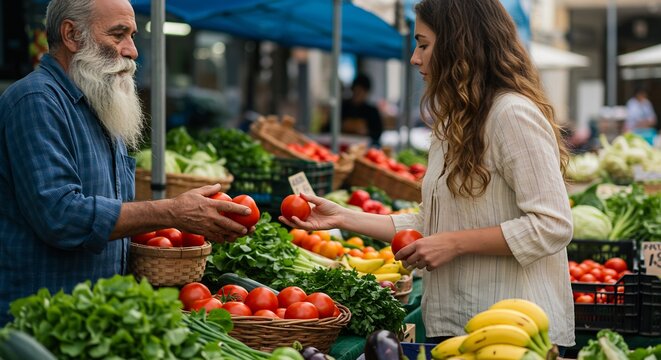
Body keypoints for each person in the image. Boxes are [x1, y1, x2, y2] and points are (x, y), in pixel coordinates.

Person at [280, 0, 574, 350]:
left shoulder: (511, 115)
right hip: (458, 322)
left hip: (516, 332)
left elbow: (552, 224)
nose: (414, 58)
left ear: (458, 44)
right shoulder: (455, 121)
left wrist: (453, 243)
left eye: (423, 44)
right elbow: (433, 219)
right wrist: (343, 217)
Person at [0, 0, 252, 325]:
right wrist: (170, 212)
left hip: (94, 315)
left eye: (132, 35)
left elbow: (111, 208)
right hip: (41, 321)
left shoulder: (100, 100)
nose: (132, 50)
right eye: (118, 35)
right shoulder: (36, 102)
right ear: (71, 35)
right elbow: (61, 216)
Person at [340, 73, 384, 146]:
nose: (358, 94)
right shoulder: (343, 108)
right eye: (356, 91)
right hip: (343, 146)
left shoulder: (372, 111)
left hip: (365, 147)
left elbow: (377, 133)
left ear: (366, 92)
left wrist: (366, 132)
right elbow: (328, 128)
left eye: (361, 91)